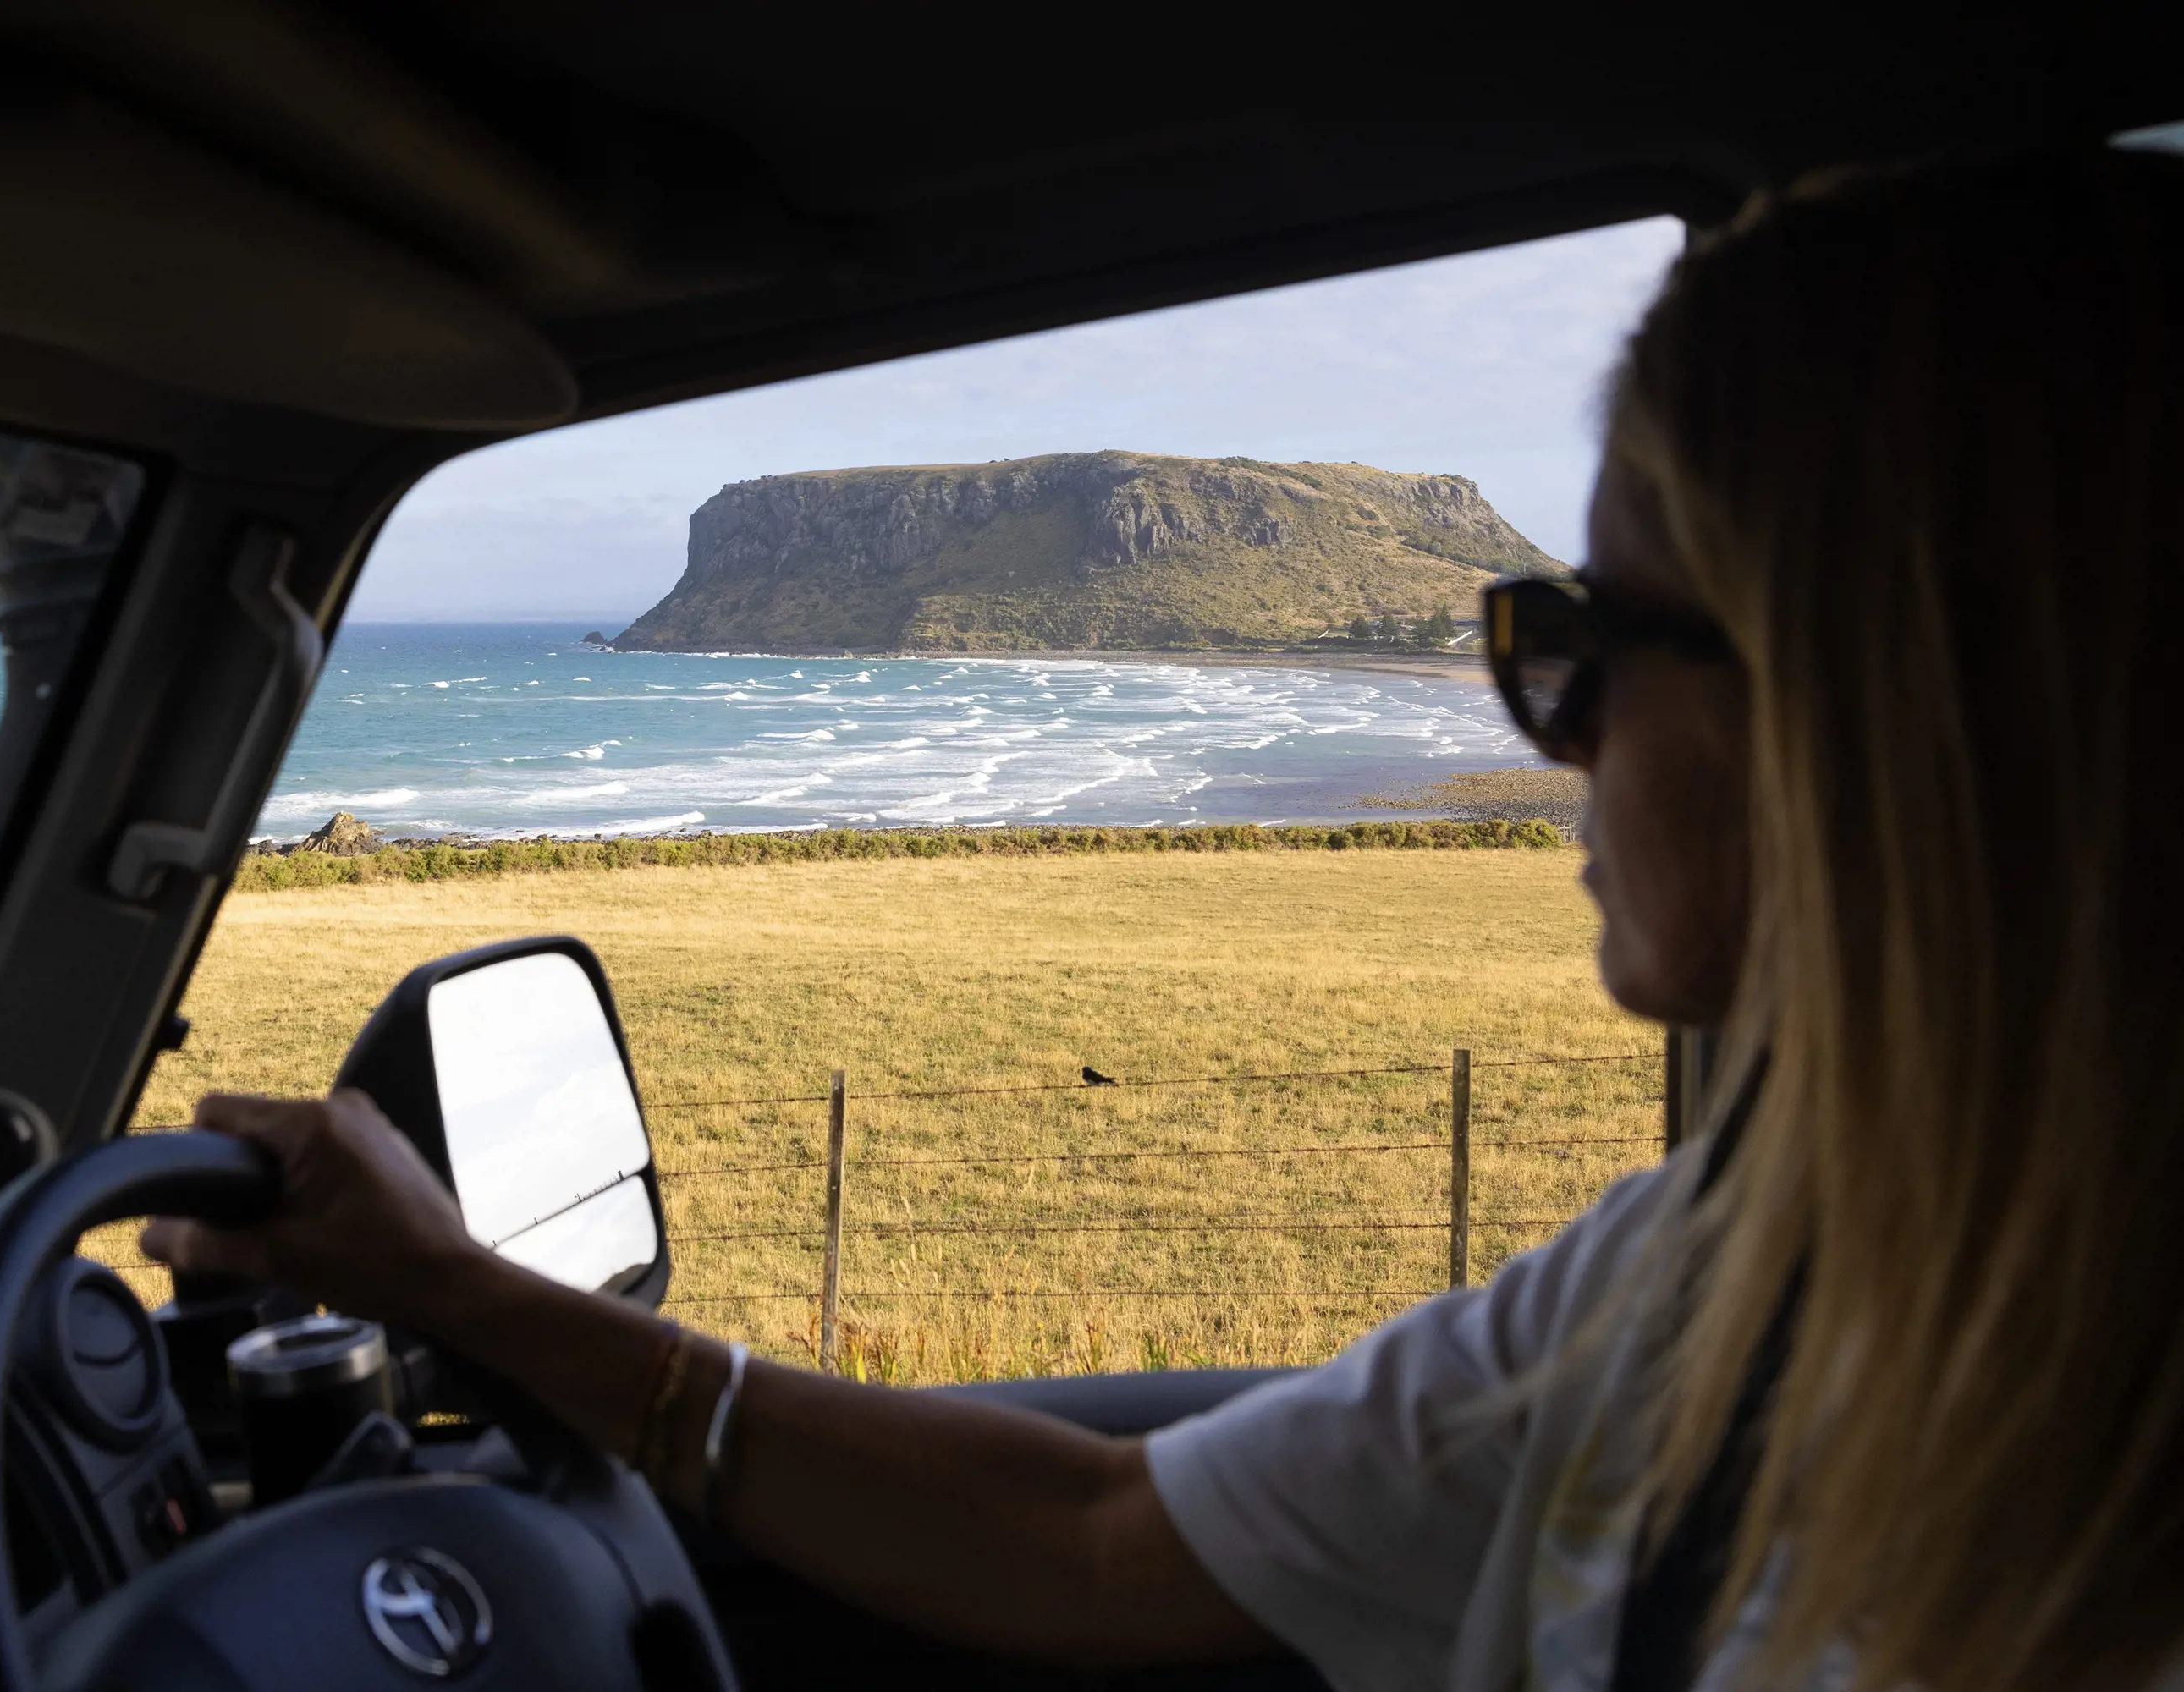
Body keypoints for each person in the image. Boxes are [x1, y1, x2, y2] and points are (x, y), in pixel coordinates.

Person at [146, 149, 2184, 1692]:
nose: (1540, 728)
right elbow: (1110, 1541)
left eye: (1574, 642)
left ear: (1890, 706)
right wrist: (471, 1292)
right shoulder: (1725, 1254)